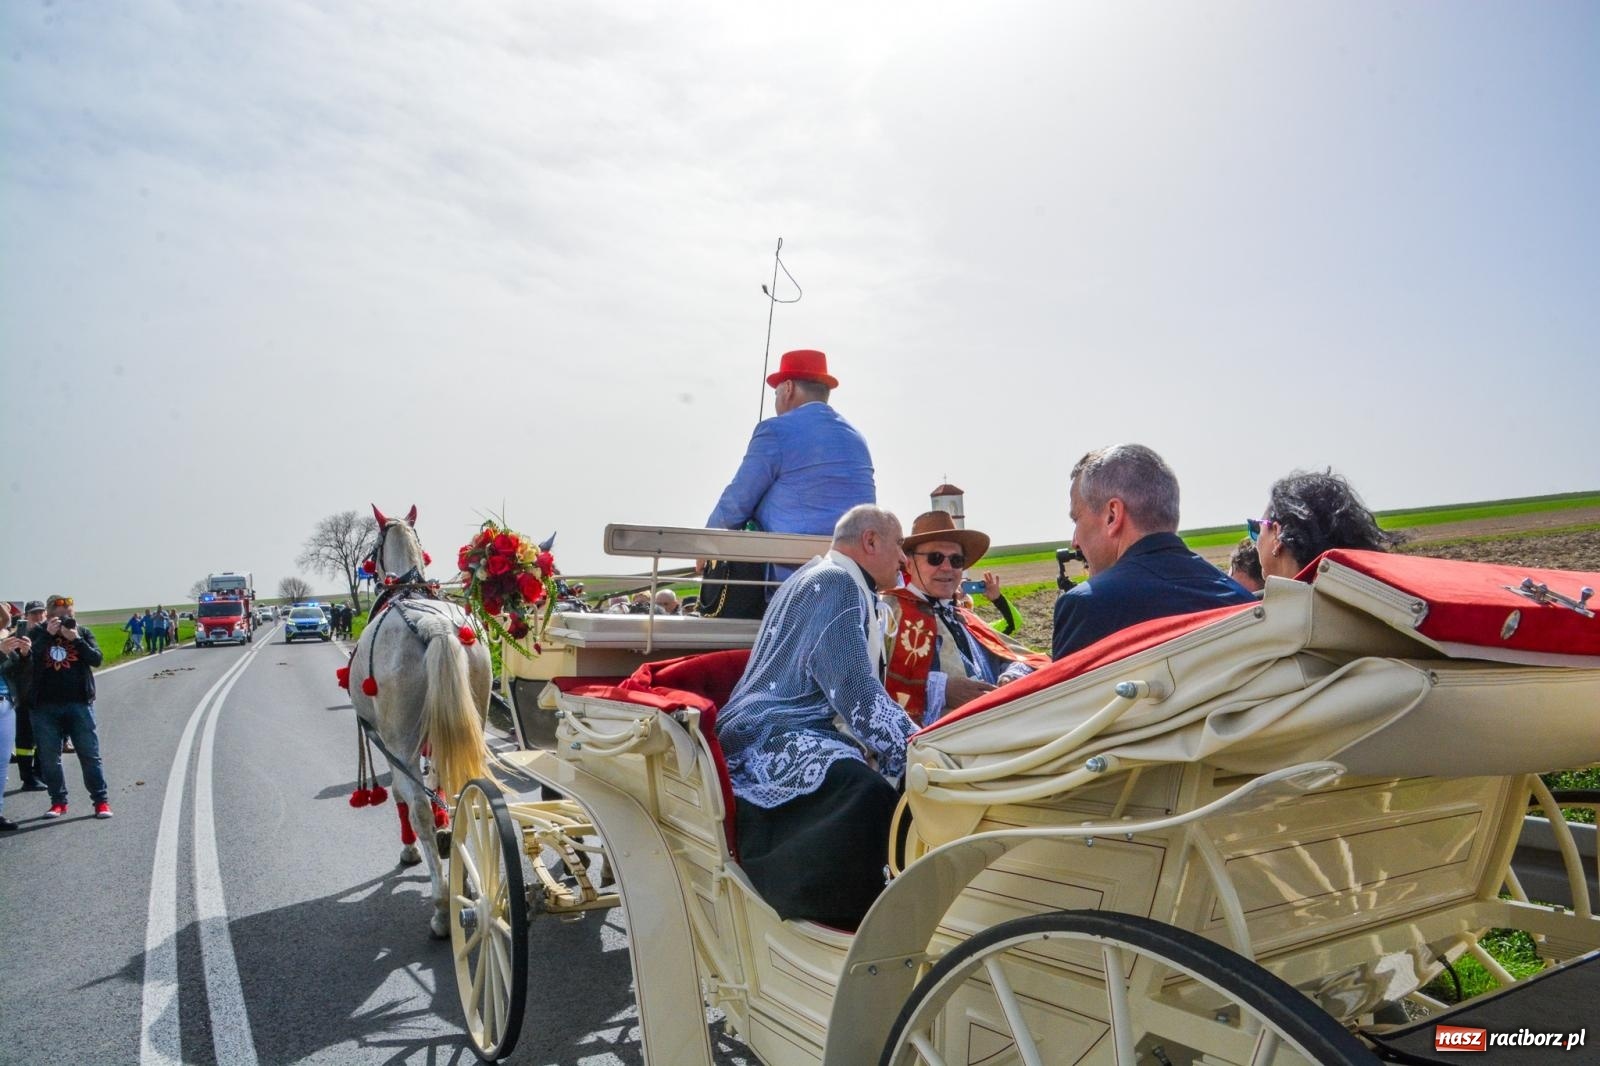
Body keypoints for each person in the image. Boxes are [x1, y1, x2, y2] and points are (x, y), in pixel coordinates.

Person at [715, 504, 914, 929]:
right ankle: (841, 917)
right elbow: (857, 696)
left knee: (872, 781)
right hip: (772, 730)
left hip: (782, 725)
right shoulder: (837, 582)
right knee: (869, 796)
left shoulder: (816, 575)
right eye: (899, 545)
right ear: (871, 541)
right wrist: (925, 749)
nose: (903, 559)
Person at [1053, 444, 1257, 660]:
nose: (1075, 541)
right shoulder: (1239, 599)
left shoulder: (1087, 608)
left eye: (1077, 519)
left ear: (1112, 516)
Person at [702, 349, 876, 593]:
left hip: (791, 581)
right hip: (852, 578)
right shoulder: (856, 437)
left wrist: (706, 545)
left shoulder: (775, 431)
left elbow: (736, 502)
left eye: (776, 392)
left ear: (788, 388)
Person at [882, 511, 1050, 726]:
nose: (947, 568)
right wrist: (941, 690)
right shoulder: (887, 612)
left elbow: (1022, 658)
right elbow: (870, 685)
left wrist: (1011, 677)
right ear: (909, 563)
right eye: (935, 558)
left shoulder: (965, 617)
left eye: (956, 560)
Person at [29, 595, 112, 819]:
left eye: (69, 614)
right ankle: (58, 802)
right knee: (49, 758)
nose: (65, 618)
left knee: (89, 755)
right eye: (59, 615)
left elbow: (96, 659)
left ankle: (101, 802)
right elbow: (28, 659)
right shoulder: (37, 634)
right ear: (49, 615)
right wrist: (47, 635)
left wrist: (75, 639)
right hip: (45, 707)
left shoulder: (82, 633)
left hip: (79, 703)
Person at [1253, 469, 1388, 579]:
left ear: (1277, 534)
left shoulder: (1285, 609)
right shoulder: (1363, 592)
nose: (1255, 542)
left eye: (1257, 529)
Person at [10, 600, 48, 791]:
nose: (38, 617)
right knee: (25, 739)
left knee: (45, 737)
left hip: (45, 695)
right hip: (24, 696)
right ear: (25, 616)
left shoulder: (49, 635)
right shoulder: (16, 636)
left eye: (41, 613)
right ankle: (28, 778)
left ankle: (40, 773)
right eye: (34, 614)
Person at [1, 602, 31, 830]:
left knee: (1, 764)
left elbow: (14, 670)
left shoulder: (4, 638)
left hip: (5, 704)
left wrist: (22, 654)